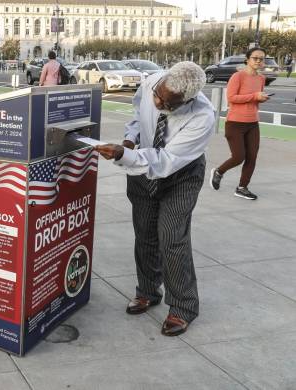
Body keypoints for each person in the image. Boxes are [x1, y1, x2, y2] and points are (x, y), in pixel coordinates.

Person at [94, 62, 215, 337]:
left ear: (188, 100)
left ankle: (183, 307)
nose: (158, 102)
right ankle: (148, 291)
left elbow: (165, 162)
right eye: (158, 95)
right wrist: (129, 139)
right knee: (145, 232)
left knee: (172, 237)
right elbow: (139, 114)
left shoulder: (203, 117)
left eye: (168, 103)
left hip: (180, 175)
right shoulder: (154, 83)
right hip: (142, 163)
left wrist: (123, 156)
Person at [210, 47, 269, 200]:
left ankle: (242, 187)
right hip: (235, 122)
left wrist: (261, 98)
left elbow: (255, 99)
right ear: (247, 59)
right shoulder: (238, 76)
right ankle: (218, 171)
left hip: (253, 123)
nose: (258, 61)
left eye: (261, 59)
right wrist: (254, 96)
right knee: (238, 157)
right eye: (255, 58)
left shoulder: (261, 78)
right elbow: (232, 98)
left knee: (252, 157)